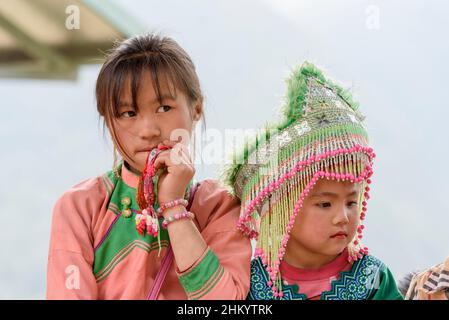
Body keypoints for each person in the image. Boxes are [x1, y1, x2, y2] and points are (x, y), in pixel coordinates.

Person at [47, 33, 251, 300]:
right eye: (128, 113)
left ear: (196, 107)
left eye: (164, 107)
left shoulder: (219, 205)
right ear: (109, 120)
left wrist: (174, 206)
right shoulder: (80, 207)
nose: (148, 130)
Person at [222, 62, 403, 300]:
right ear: (279, 208)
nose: (343, 217)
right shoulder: (250, 284)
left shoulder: (373, 278)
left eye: (351, 202)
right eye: (325, 204)